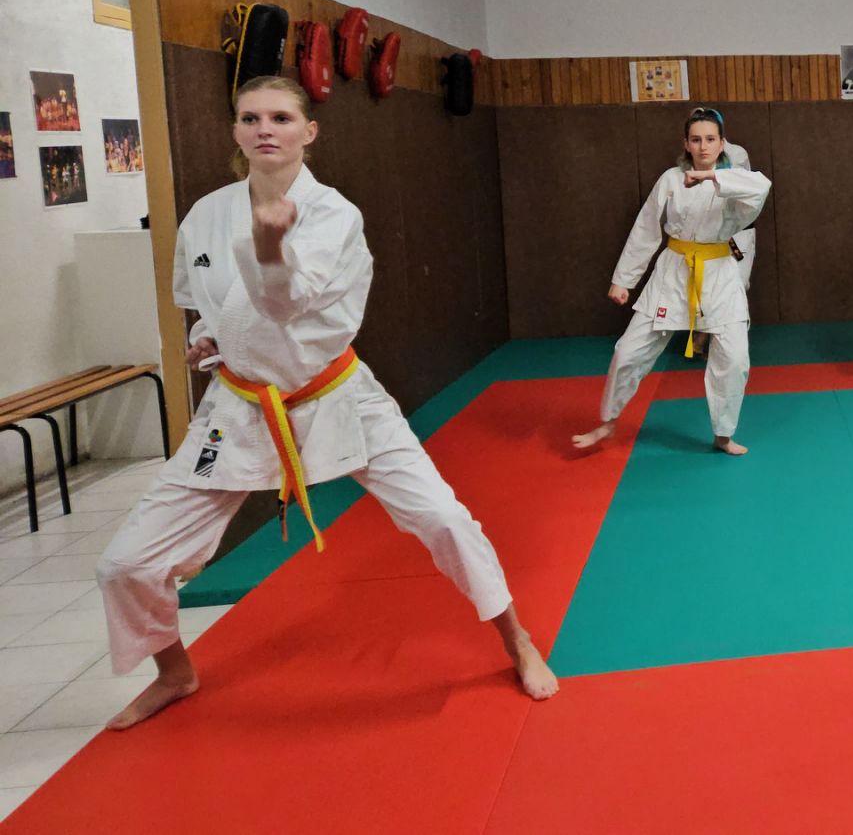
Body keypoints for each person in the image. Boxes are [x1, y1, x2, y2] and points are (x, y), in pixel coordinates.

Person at [95, 76, 559, 731]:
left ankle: (517, 639)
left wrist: (267, 246)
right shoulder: (206, 214)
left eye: (281, 118)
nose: (265, 129)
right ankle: (174, 671)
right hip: (238, 408)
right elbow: (204, 302)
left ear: (308, 132)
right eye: (250, 118)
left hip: (337, 397)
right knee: (125, 563)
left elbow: (284, 304)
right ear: (236, 131)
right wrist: (209, 337)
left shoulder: (334, 215)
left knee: (444, 519)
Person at [574, 107, 771, 456]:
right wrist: (624, 279)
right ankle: (608, 421)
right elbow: (646, 227)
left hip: (720, 274)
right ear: (686, 144)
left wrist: (710, 178)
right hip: (674, 271)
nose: (703, 146)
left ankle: (723, 434)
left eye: (710, 139)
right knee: (627, 351)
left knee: (735, 359)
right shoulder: (670, 179)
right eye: (696, 140)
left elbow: (762, 187)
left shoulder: (736, 181)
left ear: (722, 143)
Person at [687, 108, 756, 358]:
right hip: (709, 233)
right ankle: (705, 336)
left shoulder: (736, 154)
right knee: (708, 288)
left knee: (738, 284)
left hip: (738, 232)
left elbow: (742, 187)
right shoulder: (688, 160)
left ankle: (719, 341)